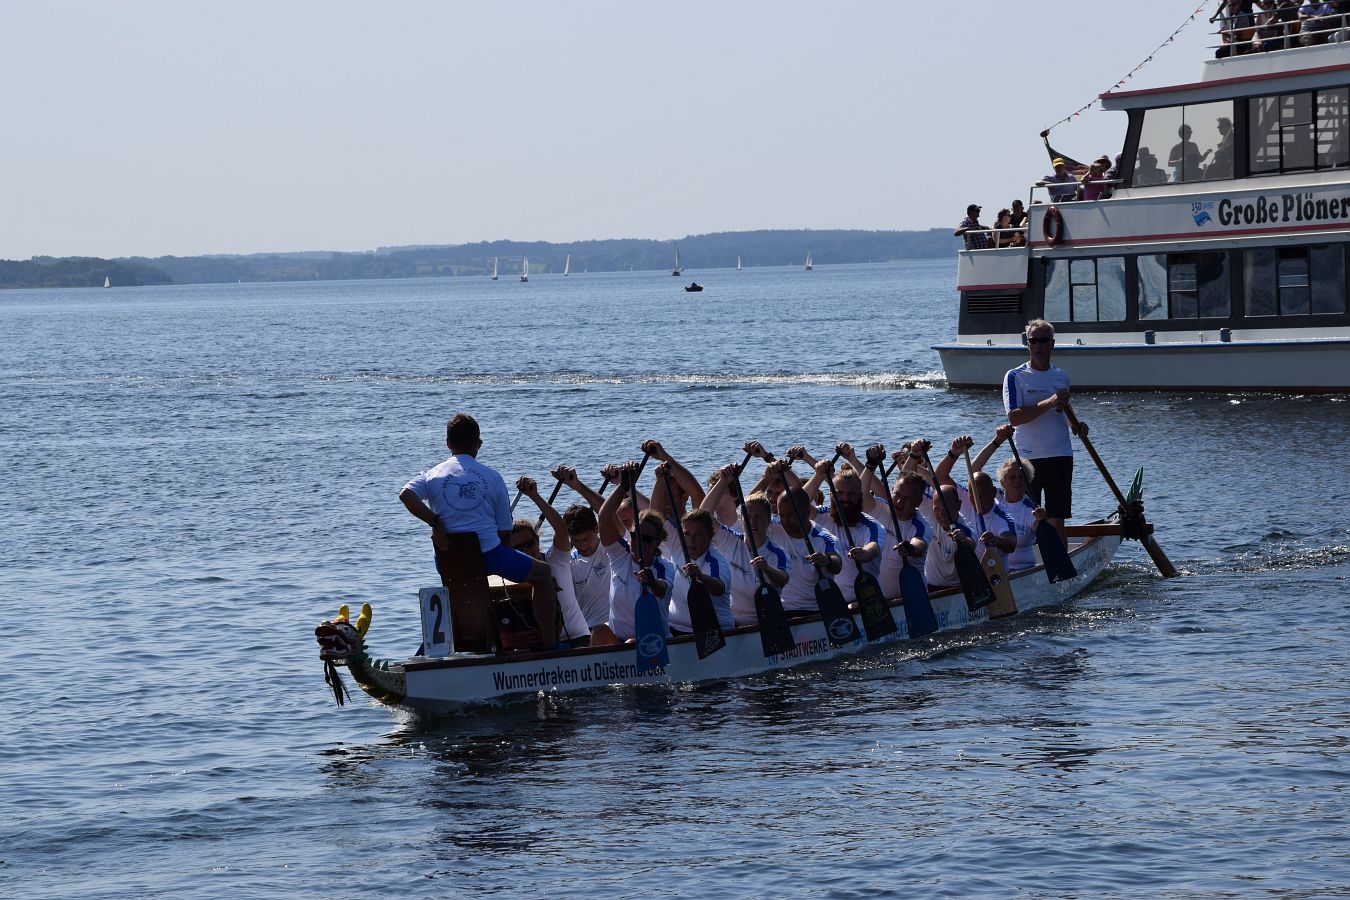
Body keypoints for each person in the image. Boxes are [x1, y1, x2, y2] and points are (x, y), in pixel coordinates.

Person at [400, 414, 563, 649]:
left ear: (448, 443)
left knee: (463, 587)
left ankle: (446, 646)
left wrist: (435, 522)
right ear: (478, 444)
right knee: (544, 574)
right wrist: (505, 558)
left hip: (448, 561)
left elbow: (406, 495)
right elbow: (505, 533)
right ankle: (550, 648)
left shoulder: (432, 475)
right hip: (490, 555)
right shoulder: (492, 476)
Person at [1003, 320, 1086, 547]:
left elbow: (1063, 411)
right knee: (1029, 518)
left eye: (1043, 340)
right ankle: (1031, 561)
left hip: (1060, 455)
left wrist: (1077, 425)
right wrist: (1049, 401)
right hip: (1028, 460)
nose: (1038, 345)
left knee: (1056, 519)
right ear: (1027, 344)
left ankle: (1061, 563)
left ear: (1052, 344)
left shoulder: (1062, 376)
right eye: (1033, 341)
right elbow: (1015, 417)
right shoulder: (1015, 376)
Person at [700, 463, 791, 627]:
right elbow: (703, 515)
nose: (753, 522)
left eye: (758, 517)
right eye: (748, 517)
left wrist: (766, 568)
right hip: (732, 623)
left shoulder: (778, 553)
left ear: (769, 520)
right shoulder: (731, 540)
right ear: (741, 520)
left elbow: (782, 580)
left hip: (767, 623)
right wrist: (723, 481)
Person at [650, 463, 734, 634]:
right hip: (676, 628)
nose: (691, 540)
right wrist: (659, 480)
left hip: (714, 630)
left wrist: (701, 576)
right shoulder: (679, 541)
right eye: (687, 534)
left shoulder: (716, 561)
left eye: (699, 535)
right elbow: (656, 514)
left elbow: (719, 588)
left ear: (709, 536)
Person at [596, 462, 675, 641]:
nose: (639, 543)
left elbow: (662, 589)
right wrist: (623, 486)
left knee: (631, 641)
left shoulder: (664, 567)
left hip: (653, 643)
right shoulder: (619, 555)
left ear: (657, 542)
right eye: (635, 536)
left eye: (646, 539)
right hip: (619, 643)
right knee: (599, 632)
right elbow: (604, 517)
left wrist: (652, 582)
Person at [513, 477, 593, 648]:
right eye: (518, 548)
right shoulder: (509, 575)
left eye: (529, 543)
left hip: (577, 638)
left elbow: (561, 529)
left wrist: (534, 496)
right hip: (538, 645)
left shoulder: (556, 560)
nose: (526, 550)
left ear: (537, 540)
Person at [933, 436, 1017, 560]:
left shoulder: (1002, 516)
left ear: (993, 492)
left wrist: (996, 540)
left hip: (994, 569)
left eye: (983, 496)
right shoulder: (966, 499)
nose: (977, 501)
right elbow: (940, 477)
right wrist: (954, 453)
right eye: (973, 496)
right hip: (970, 566)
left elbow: (1011, 543)